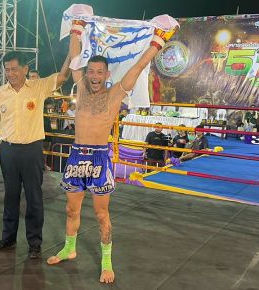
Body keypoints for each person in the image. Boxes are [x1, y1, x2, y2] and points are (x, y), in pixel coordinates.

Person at [46, 7, 179, 284]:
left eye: (99, 72)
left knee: (101, 213)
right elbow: (74, 58)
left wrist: (158, 42)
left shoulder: (116, 92)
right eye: (91, 70)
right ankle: (70, 249)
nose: (94, 75)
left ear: (107, 74)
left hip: (99, 159)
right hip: (76, 157)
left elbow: (139, 66)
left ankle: (107, 261)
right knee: (71, 210)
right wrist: (76, 28)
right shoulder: (80, 87)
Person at [0, 50, 71, 258]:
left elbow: (63, 76)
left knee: (34, 197)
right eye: (7, 70)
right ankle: (8, 238)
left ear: (25, 69)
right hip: (8, 150)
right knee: (10, 196)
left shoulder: (38, 87)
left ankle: (35, 244)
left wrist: (72, 51)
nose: (11, 73)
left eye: (15, 69)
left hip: (32, 149)